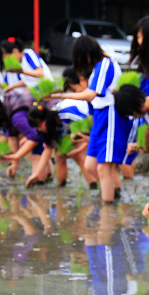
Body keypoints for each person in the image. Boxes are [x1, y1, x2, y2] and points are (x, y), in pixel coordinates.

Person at [49, 36, 130, 203]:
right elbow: (92, 100)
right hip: (100, 116)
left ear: (87, 54)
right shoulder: (96, 69)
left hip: (111, 114)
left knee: (103, 166)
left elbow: (90, 94)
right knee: (91, 165)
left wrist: (62, 95)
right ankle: (114, 195)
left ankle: (108, 208)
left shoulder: (105, 64)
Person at [0, 90, 50, 180]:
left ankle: (40, 183)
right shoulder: (6, 109)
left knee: (36, 155)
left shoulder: (17, 118)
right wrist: (14, 164)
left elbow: (34, 138)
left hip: (47, 121)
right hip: (41, 123)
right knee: (40, 150)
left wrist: (17, 156)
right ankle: (48, 178)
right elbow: (12, 138)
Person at [24, 100, 97, 189]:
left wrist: (79, 149)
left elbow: (91, 132)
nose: (40, 130)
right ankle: (61, 185)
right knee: (60, 155)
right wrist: (36, 174)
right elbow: (47, 150)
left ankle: (94, 185)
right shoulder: (49, 127)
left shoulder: (66, 115)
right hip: (71, 129)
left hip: (88, 122)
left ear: (45, 120)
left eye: (39, 126)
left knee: (80, 155)